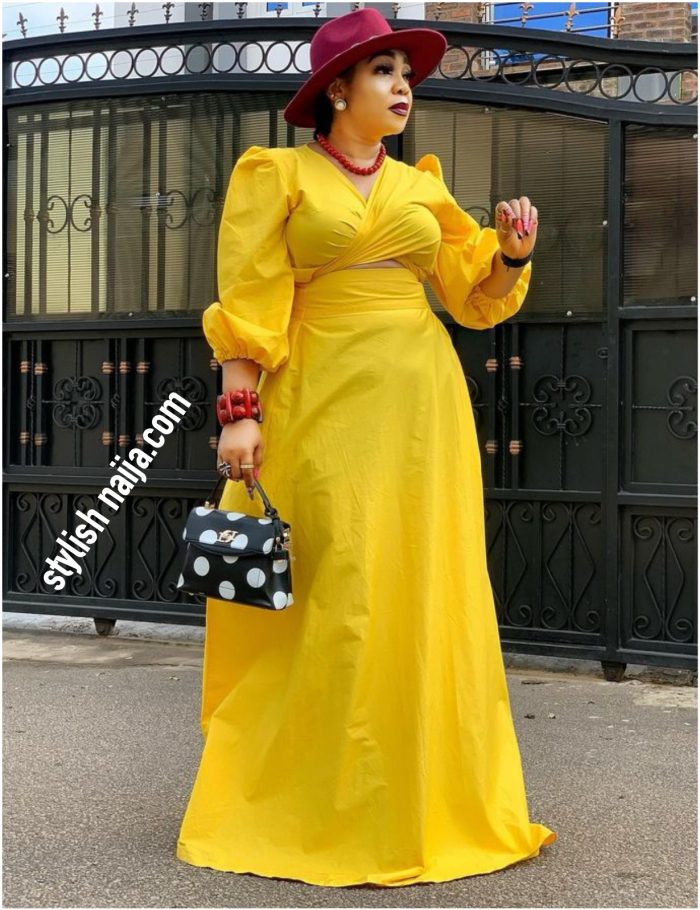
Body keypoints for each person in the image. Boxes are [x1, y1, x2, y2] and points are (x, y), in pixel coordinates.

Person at [176, 7, 556, 888]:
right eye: (383, 71)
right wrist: (240, 410)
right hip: (318, 397)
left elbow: (469, 292)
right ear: (337, 89)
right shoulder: (276, 175)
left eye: (406, 73)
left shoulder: (422, 187)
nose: (402, 86)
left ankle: (420, 796)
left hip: (420, 405)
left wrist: (509, 255)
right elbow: (249, 297)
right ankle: (314, 800)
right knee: (334, 584)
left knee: (420, 583)